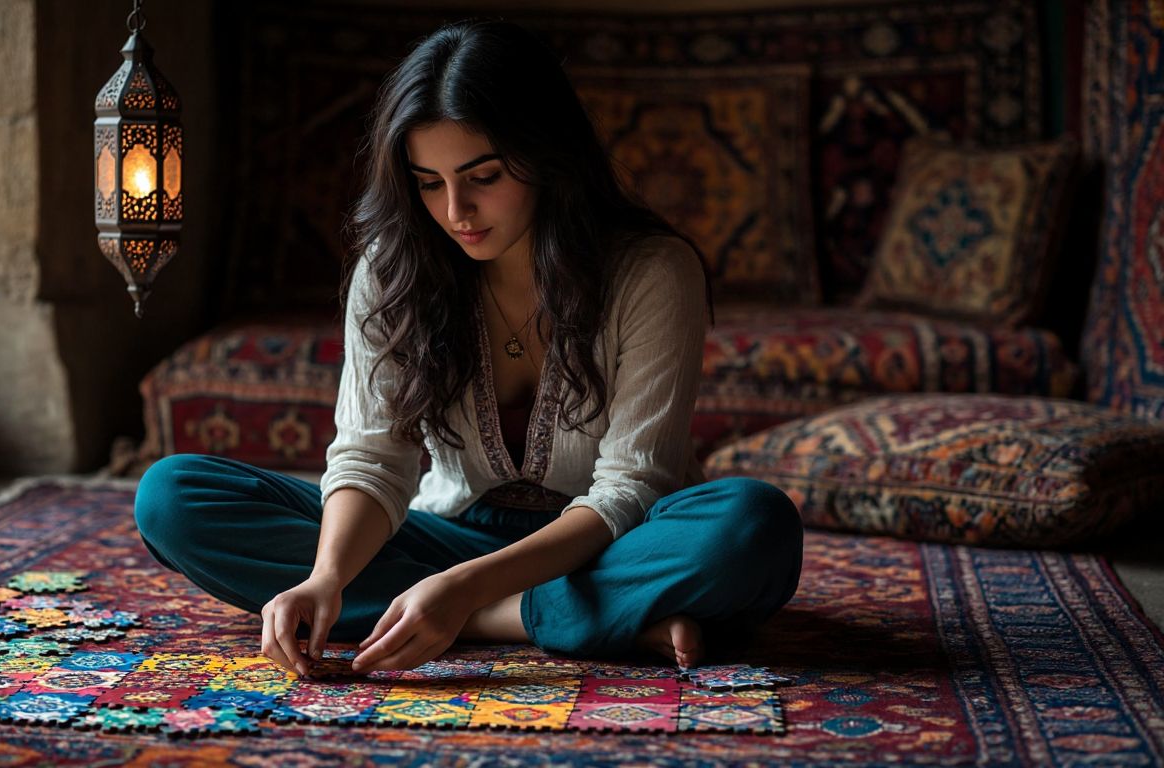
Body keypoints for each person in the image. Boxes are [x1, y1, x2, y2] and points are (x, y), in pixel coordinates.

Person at [134, 19, 803, 679]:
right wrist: (326, 579)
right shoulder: (391, 270)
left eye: (482, 176)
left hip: (610, 542)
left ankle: (477, 611)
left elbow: (631, 489)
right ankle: (560, 618)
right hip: (448, 535)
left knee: (751, 525)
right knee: (173, 495)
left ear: (544, 154)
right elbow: (372, 459)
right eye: (428, 182)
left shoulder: (650, 272)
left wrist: (460, 591)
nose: (456, 209)